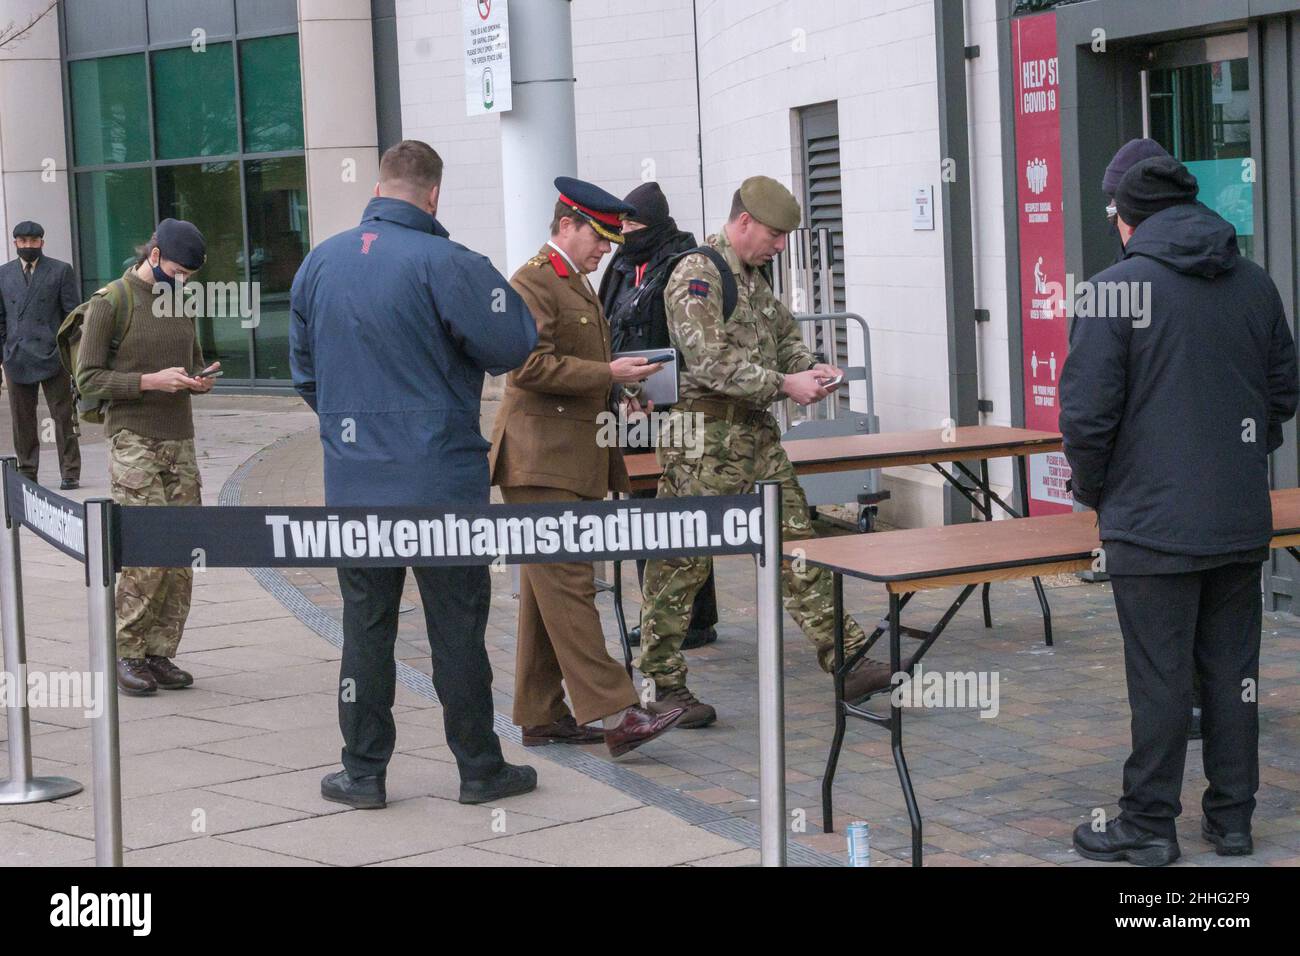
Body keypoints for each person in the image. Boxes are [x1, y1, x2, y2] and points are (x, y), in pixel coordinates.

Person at [290, 140, 541, 809]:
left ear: (379, 186)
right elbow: (515, 343)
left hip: (354, 485)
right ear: (434, 195)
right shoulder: (449, 263)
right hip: (440, 485)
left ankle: (363, 772)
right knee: (456, 629)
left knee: (365, 629)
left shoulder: (319, 263)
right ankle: (479, 768)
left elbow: (306, 375)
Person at [1062, 156, 1298, 865]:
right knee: (1233, 674)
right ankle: (1232, 820)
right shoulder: (1254, 283)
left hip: (1151, 523)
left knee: (1161, 678)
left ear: (1125, 216)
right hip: (1236, 518)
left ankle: (1148, 826)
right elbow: (1281, 394)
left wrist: (1098, 491)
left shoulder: (1112, 292)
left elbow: (1086, 419)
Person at [637, 176, 893, 727]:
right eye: (775, 236)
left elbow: (783, 338)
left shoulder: (752, 279)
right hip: (701, 442)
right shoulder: (698, 274)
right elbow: (709, 363)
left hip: (755, 438)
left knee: (798, 544)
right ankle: (661, 684)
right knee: (682, 562)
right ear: (744, 221)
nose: (780, 247)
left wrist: (808, 368)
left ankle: (846, 658)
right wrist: (783, 384)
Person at [489, 176, 684, 756]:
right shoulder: (532, 281)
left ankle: (541, 714)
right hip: (539, 463)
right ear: (567, 225)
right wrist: (609, 375)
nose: (607, 251)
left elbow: (572, 364)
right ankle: (618, 714)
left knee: (546, 591)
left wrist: (618, 389)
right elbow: (526, 368)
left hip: (567, 461)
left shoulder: (572, 281)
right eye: (599, 238)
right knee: (572, 587)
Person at [77, 219, 217, 696]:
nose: (183, 282)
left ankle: (160, 652)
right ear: (153, 255)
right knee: (148, 551)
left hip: (180, 438)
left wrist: (199, 378)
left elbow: (191, 359)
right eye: (178, 271)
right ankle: (127, 652)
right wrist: (150, 382)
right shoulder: (110, 302)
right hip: (133, 437)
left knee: (181, 553)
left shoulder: (182, 301)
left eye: (190, 277)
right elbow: (88, 379)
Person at [597, 181, 719, 650]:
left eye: (633, 224)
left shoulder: (684, 263)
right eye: (621, 224)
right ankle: (659, 612)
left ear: (656, 224)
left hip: (674, 407)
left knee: (681, 511)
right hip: (627, 407)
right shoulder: (622, 266)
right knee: (643, 510)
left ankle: (693, 618)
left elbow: (693, 338)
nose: (625, 232)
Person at [0, 221, 82, 488]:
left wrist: (69, 353)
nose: (28, 246)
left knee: (63, 416)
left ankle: (69, 471)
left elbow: (73, 316)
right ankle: (27, 471)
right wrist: (4, 353)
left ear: (42, 243)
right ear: (15, 244)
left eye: (33, 241)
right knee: (22, 419)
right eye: (22, 242)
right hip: (17, 356)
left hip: (53, 355)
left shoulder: (60, 270)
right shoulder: (3, 274)